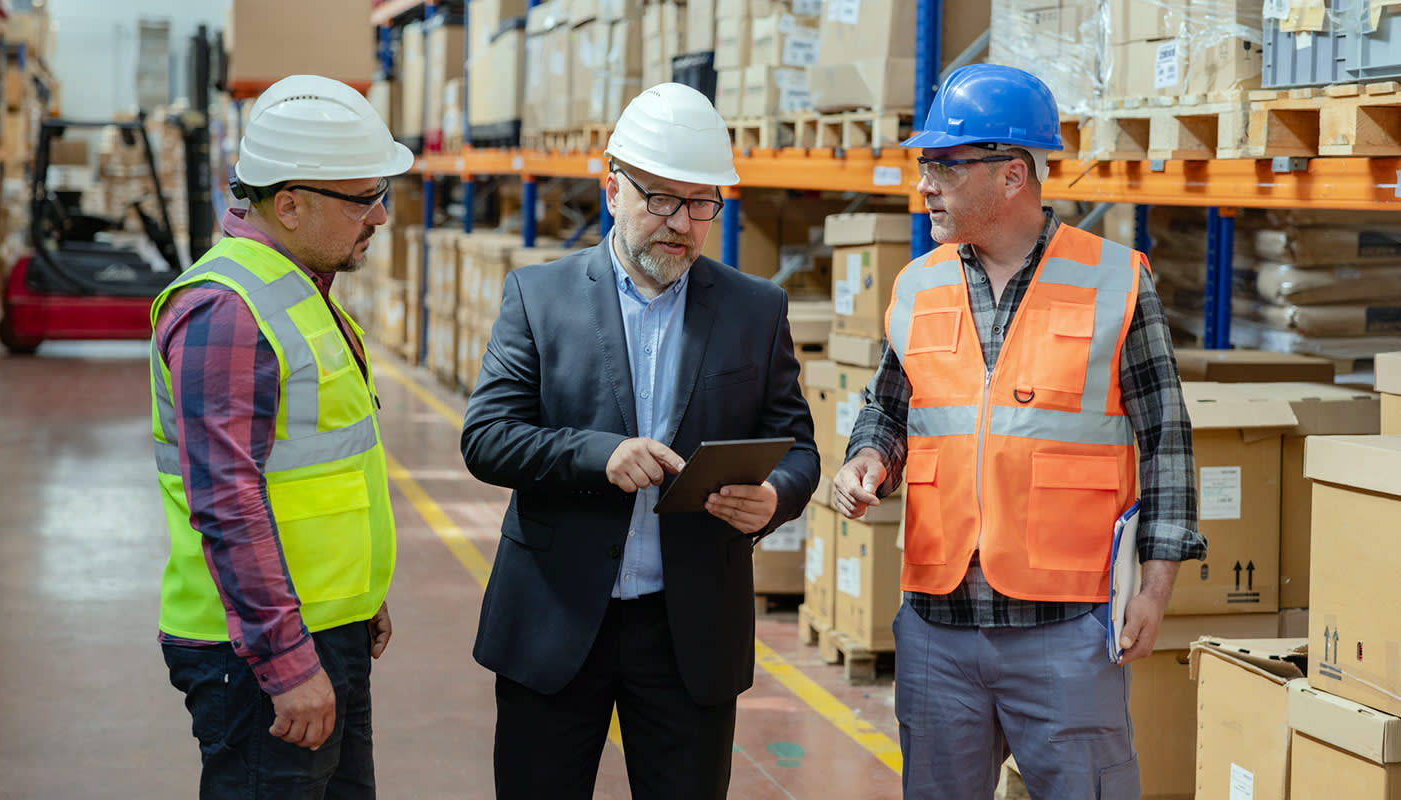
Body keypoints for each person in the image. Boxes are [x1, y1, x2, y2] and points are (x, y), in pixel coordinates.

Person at [831, 64, 1207, 800]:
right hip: (937, 625)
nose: (925, 185)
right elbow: (887, 408)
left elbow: (1168, 441)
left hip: (1065, 630)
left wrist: (1155, 590)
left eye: (944, 165)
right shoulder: (917, 286)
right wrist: (865, 458)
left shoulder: (1114, 281)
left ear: (1011, 176)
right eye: (923, 165)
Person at [460, 82, 820, 799]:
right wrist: (599, 454)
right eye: (659, 199)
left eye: (699, 204)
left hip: (687, 631)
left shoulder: (754, 309)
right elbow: (488, 438)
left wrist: (774, 496)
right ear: (611, 186)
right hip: (556, 623)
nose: (680, 223)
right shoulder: (540, 297)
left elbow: (797, 446)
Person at [150, 74, 412, 798]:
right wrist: (287, 660)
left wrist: (359, 595)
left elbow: (319, 473)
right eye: (364, 199)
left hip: (322, 624)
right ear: (288, 204)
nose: (381, 217)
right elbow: (228, 502)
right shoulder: (227, 312)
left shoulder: (300, 288)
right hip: (257, 651)